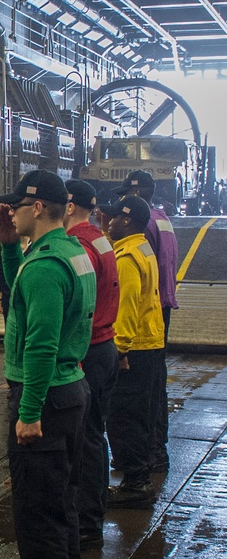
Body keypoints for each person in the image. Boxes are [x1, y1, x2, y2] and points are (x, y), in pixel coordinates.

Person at [0, 170, 95, 559]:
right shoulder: (71, 253)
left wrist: (28, 412)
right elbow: (22, 300)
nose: (10, 211)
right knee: (61, 502)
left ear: (37, 208)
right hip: (71, 390)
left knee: (37, 508)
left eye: (16, 205)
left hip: (46, 397)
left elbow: (40, 343)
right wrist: (10, 246)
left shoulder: (48, 267)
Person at [64, 180, 120, 549]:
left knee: (85, 439)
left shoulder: (80, 244)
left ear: (69, 206)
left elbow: (80, 302)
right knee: (94, 435)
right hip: (105, 346)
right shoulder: (99, 237)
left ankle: (86, 521)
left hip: (89, 350)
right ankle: (93, 511)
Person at [100, 195, 165, 508]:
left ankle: (135, 485)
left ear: (126, 220)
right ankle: (139, 477)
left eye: (114, 217)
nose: (110, 221)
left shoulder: (126, 258)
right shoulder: (142, 247)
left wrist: (119, 350)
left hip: (133, 347)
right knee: (140, 415)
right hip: (149, 343)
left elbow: (124, 308)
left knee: (123, 417)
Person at [112, 171, 177, 472]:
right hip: (159, 308)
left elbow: (128, 292)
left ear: (136, 194)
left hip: (144, 312)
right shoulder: (162, 217)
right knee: (155, 386)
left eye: (125, 194)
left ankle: (145, 457)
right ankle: (157, 453)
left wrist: (121, 348)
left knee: (137, 398)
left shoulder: (143, 226)